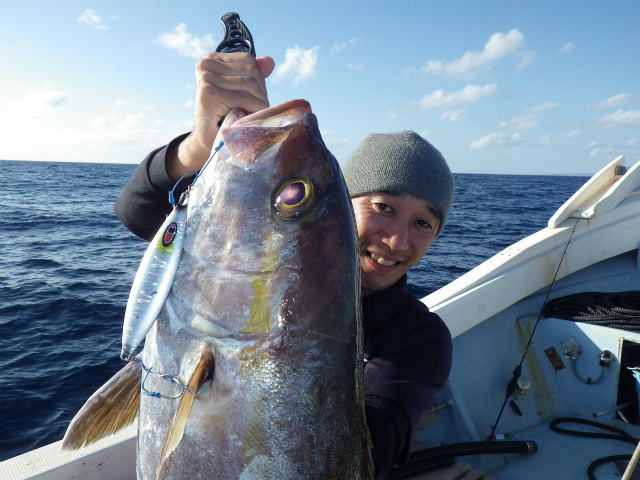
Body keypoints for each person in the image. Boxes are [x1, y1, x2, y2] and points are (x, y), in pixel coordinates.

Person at [114, 52, 453, 479]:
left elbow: (371, 447)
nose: (397, 239)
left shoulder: (421, 338)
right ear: (344, 209)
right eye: (383, 206)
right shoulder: (206, 269)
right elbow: (135, 212)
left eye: (423, 223)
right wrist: (201, 146)